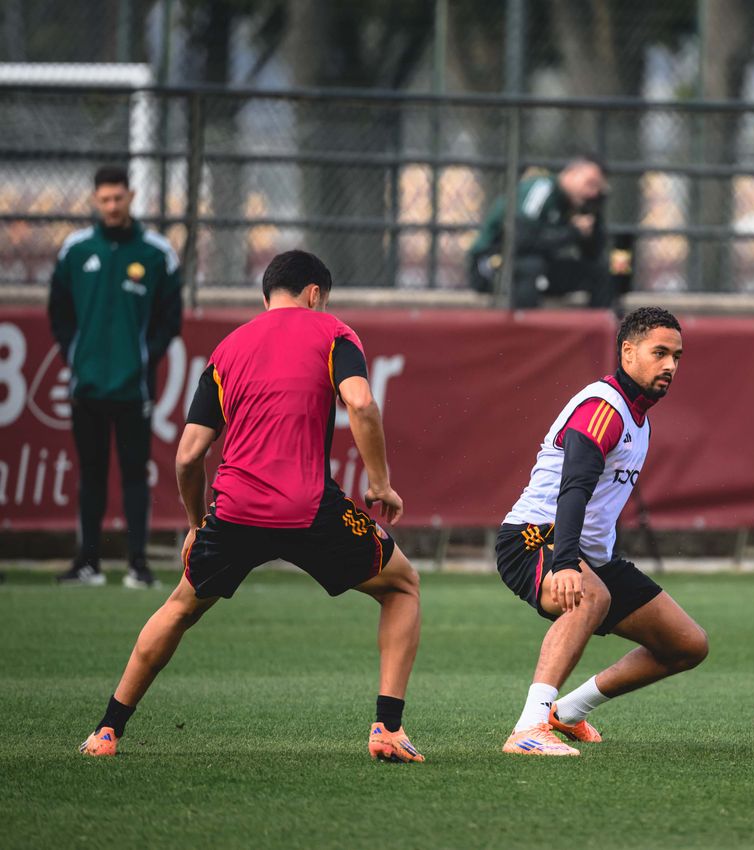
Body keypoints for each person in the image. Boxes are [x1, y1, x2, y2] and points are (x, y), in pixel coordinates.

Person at [77, 250, 425, 764]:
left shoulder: (228, 350)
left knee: (179, 608)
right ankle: (387, 731)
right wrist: (380, 484)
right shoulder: (333, 333)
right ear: (314, 293)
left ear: (266, 297)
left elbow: (189, 456)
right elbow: (362, 403)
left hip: (235, 509)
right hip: (309, 507)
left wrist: (198, 525)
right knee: (402, 586)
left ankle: (106, 732)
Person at [496, 306, 709, 756]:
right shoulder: (603, 408)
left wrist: (583, 559)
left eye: (678, 356)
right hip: (534, 537)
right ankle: (529, 728)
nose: (671, 365)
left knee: (687, 644)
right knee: (592, 597)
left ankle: (567, 713)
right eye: (660, 353)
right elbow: (573, 489)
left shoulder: (640, 418)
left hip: (588, 555)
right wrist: (567, 561)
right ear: (628, 352)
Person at [49, 165, 183, 588]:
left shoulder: (157, 253)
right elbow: (59, 312)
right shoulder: (75, 250)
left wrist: (143, 358)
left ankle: (137, 566)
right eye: (104, 199)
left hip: (133, 388)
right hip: (86, 385)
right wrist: (76, 354)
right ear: (95, 200)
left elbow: (169, 320)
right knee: (89, 475)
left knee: (133, 475)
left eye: (118, 198)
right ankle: (88, 564)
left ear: (131, 196)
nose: (111, 206)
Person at [468, 154, 615, 310]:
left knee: (600, 273)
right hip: (492, 262)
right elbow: (521, 241)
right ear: (572, 174)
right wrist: (572, 232)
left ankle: (600, 331)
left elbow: (592, 254)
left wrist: (593, 216)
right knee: (531, 267)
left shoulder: (579, 205)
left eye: (598, 188)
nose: (592, 192)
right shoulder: (542, 189)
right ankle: (524, 331)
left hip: (539, 267)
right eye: (590, 184)